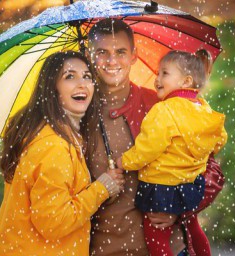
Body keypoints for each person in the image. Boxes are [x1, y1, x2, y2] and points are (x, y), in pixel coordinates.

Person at [84, 19, 225, 256]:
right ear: (90, 56)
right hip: (104, 250)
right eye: (101, 52)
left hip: (169, 247)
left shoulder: (163, 104)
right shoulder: (78, 113)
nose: (111, 61)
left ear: (134, 56)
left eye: (120, 52)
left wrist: (179, 209)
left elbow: (211, 171)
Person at [0, 51, 125, 255]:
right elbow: (54, 222)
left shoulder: (54, 135)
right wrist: (101, 189)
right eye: (69, 76)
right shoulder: (53, 147)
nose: (82, 84)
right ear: (53, 88)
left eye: (87, 76)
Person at [116, 49, 227, 256]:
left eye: (164, 73)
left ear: (186, 81)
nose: (157, 79)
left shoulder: (163, 109)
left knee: (155, 235)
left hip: (162, 186)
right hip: (192, 184)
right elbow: (219, 139)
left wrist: (126, 162)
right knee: (194, 228)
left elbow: (148, 148)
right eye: (158, 73)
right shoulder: (203, 107)